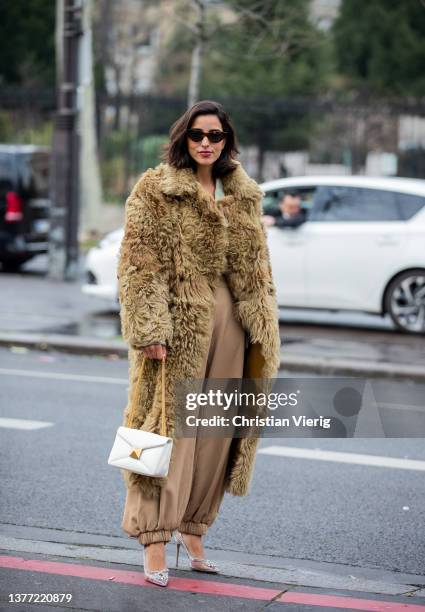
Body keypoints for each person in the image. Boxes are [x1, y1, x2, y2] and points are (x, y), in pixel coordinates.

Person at [117, 100, 281, 587]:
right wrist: (149, 329)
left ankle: (193, 530)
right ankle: (153, 538)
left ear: (227, 140)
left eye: (215, 135)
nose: (206, 143)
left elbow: (258, 268)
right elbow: (138, 263)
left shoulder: (243, 193)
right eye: (197, 135)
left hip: (233, 329)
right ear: (182, 139)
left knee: (213, 438)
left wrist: (260, 325)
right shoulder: (156, 189)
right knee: (166, 435)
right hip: (179, 330)